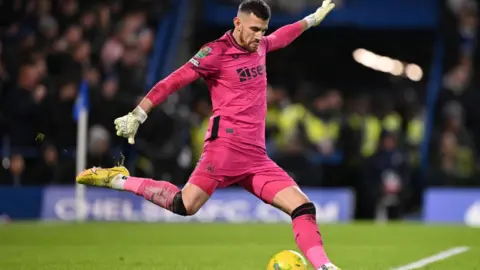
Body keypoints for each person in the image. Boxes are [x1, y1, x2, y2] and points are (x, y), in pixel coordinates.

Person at [76, 1, 339, 269]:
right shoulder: (215, 52)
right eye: (254, 29)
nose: (259, 36)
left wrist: (312, 19)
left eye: (263, 30)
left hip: (256, 158)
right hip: (224, 148)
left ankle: (325, 266)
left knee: (303, 208)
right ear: (237, 23)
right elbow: (173, 81)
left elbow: (281, 36)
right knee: (184, 205)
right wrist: (139, 114)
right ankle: (118, 179)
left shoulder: (260, 45)